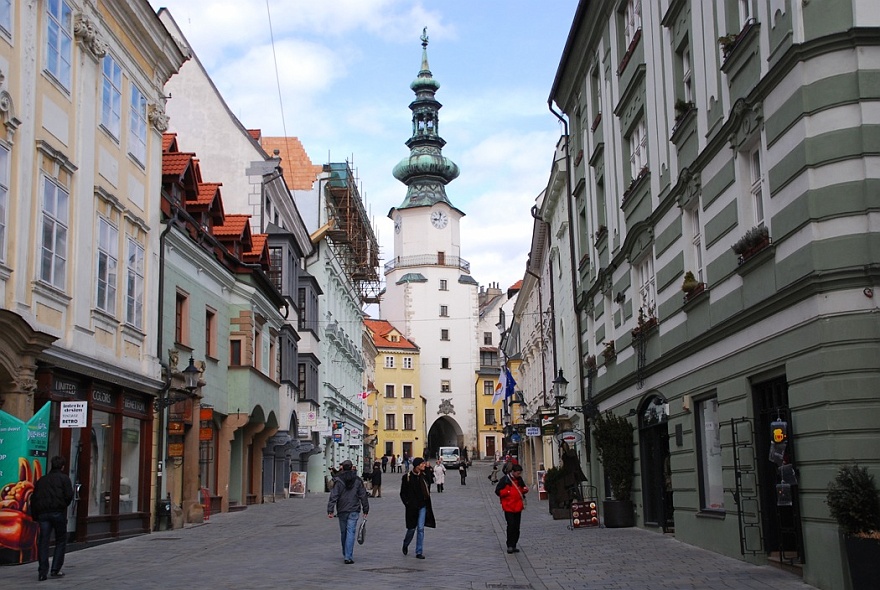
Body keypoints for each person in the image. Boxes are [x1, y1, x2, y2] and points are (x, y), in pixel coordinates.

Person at [31, 455, 74, 581]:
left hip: (43, 514)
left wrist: (36, 516)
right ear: (62, 466)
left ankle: (42, 571)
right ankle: (55, 569)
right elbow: (69, 495)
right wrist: (62, 505)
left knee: (43, 541)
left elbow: (34, 499)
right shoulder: (64, 479)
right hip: (57, 512)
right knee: (60, 540)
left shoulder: (42, 480)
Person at [327, 460, 369, 564]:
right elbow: (363, 495)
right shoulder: (358, 480)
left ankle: (345, 552)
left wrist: (330, 509)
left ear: (342, 468)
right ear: (351, 468)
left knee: (343, 532)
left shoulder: (338, 480)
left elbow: (334, 495)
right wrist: (366, 508)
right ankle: (348, 556)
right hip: (354, 509)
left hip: (342, 509)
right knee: (351, 532)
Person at [400, 457, 435, 559]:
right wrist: (407, 503)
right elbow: (402, 493)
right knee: (411, 529)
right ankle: (406, 543)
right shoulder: (407, 477)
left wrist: (428, 469)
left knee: (420, 528)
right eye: (422, 464)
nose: (424, 465)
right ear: (417, 466)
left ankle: (419, 551)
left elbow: (430, 482)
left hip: (422, 506)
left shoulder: (423, 476)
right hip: (412, 508)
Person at [495, 463, 529, 554]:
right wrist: (508, 491)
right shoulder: (505, 479)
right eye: (518, 473)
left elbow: (522, 488)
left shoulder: (519, 479)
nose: (519, 475)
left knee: (517, 527)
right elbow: (497, 491)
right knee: (511, 525)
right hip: (508, 507)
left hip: (518, 507)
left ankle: (514, 544)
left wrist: (524, 490)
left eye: (520, 473)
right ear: (513, 472)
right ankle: (509, 545)